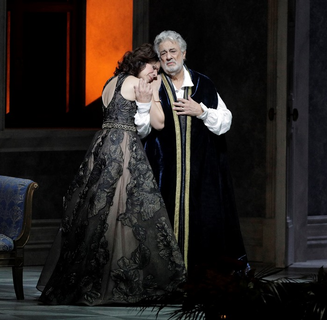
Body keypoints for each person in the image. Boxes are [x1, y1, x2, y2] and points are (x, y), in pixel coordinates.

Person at [37, 43, 186, 306]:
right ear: (142, 64)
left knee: (100, 214)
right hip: (124, 149)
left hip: (103, 147)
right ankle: (118, 283)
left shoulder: (111, 82)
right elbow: (154, 125)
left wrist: (150, 94)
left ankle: (91, 280)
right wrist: (151, 96)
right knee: (129, 213)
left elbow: (135, 118)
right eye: (153, 68)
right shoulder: (138, 84)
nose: (155, 75)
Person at [141, 30, 248, 273]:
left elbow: (225, 121)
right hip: (162, 172)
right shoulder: (153, 85)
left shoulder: (203, 84)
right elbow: (143, 128)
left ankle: (198, 278)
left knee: (203, 221)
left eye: (173, 51)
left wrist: (201, 111)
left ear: (184, 53)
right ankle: (165, 279)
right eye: (163, 53)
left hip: (202, 173)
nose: (169, 57)